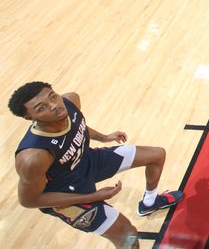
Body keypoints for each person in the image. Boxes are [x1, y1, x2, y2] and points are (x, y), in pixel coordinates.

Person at [9, 82, 183, 248]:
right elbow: (29, 200)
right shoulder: (33, 157)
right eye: (42, 108)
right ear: (29, 118)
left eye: (52, 97)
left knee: (156, 155)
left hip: (86, 161)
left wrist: (105, 137)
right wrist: (92, 197)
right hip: (63, 192)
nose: (54, 106)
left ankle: (149, 202)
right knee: (127, 234)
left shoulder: (70, 101)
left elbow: (78, 126)